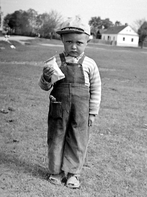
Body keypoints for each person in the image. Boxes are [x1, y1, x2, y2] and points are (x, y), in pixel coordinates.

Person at [38, 16, 101, 189]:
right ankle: (56, 171)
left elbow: (96, 90)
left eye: (79, 43)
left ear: (87, 41)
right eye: (69, 42)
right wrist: (45, 77)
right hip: (59, 108)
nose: (74, 46)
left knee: (78, 140)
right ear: (62, 40)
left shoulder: (90, 64)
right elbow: (44, 86)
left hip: (81, 110)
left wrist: (93, 113)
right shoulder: (55, 61)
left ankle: (73, 173)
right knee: (56, 138)